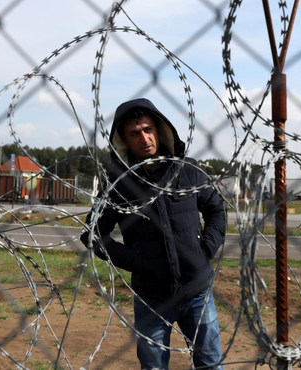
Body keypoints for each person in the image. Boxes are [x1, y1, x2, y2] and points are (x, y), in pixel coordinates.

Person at [80, 98, 227, 370]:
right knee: (153, 366)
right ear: (124, 140)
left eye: (148, 129)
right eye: (134, 133)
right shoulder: (119, 184)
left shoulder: (187, 169)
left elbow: (216, 210)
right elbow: (92, 233)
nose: (144, 138)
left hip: (196, 291)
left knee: (209, 364)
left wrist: (205, 249)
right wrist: (135, 261)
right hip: (151, 297)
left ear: (159, 130)